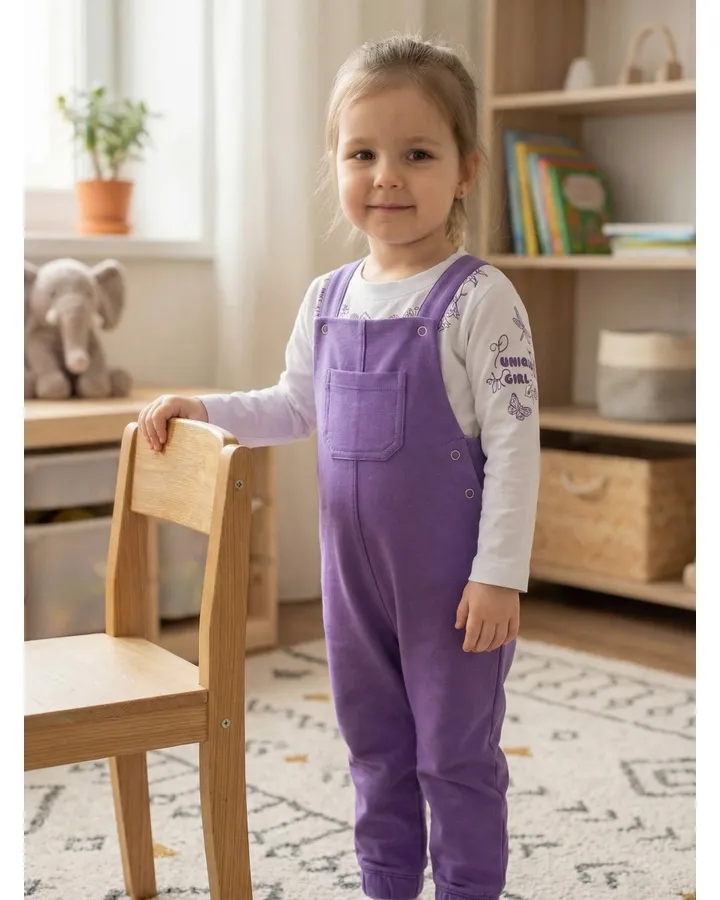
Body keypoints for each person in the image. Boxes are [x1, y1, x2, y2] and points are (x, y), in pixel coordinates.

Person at [139, 34, 540, 900]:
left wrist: (500, 574)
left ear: (466, 171)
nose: (387, 176)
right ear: (335, 165)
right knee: (373, 745)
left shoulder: (480, 299)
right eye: (363, 154)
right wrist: (205, 409)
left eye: (417, 154)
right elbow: (293, 404)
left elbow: (516, 445)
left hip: (453, 591)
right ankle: (386, 884)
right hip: (351, 586)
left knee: (454, 753)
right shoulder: (326, 299)